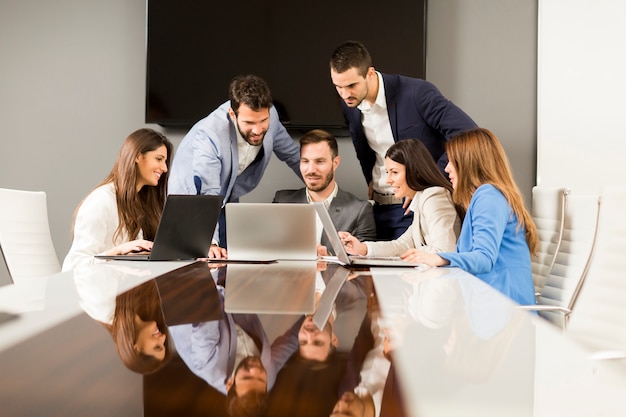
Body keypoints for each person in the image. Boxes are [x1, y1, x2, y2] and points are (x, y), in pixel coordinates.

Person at [329, 40, 477, 240]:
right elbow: (363, 149)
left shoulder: (417, 93)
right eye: (338, 87)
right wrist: (371, 179)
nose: (345, 94)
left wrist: (428, 179)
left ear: (370, 73)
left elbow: (467, 133)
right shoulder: (350, 104)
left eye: (351, 85)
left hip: (415, 209)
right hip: (378, 209)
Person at [167, 74, 302, 258]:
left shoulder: (272, 116)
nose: (257, 129)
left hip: (227, 195)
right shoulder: (210, 134)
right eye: (249, 123)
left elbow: (294, 157)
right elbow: (209, 192)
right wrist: (210, 242)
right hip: (193, 202)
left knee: (228, 261)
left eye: (263, 121)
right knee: (200, 261)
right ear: (232, 114)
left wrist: (324, 189)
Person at [411, 128, 538, 305]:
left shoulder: (488, 196)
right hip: (496, 307)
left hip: (506, 313)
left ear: (469, 162)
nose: (447, 168)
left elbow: (484, 258)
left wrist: (439, 258)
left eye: (452, 161)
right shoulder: (489, 196)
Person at [62, 128, 173, 271]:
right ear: (137, 157)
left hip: (123, 287)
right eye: (159, 159)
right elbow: (76, 264)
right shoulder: (101, 200)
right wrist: (115, 253)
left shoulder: (140, 202)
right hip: (95, 289)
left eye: (165, 161)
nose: (164, 168)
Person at [340, 139, 460, 262]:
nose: (388, 180)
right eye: (388, 172)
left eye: (395, 172)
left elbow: (445, 251)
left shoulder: (434, 196)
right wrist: (363, 248)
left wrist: (417, 252)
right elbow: (402, 245)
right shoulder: (421, 198)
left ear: (416, 171)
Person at [273, 129, 376, 256]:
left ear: (335, 163)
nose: (311, 170)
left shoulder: (359, 210)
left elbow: (362, 266)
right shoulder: (281, 201)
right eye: (305, 161)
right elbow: (268, 250)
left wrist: (329, 260)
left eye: (319, 161)